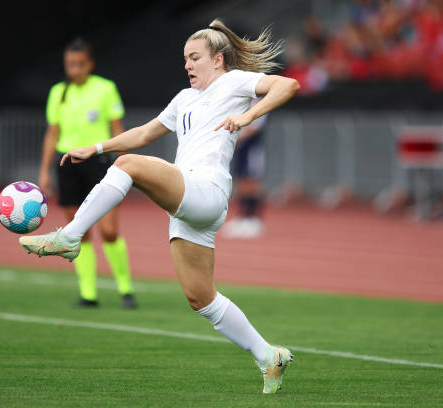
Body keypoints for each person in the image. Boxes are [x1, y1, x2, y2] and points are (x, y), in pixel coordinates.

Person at [21, 19, 300, 393]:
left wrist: (247, 115)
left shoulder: (233, 82)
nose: (187, 64)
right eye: (185, 57)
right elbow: (146, 132)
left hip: (206, 190)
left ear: (218, 60)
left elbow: (288, 84)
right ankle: (269, 356)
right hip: (188, 204)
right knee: (200, 298)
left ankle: (70, 237)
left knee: (129, 166)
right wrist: (97, 148)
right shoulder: (185, 98)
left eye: (194, 57)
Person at [39, 38, 137, 309]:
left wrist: (123, 161)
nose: (75, 69)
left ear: (90, 64)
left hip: (99, 162)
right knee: (78, 232)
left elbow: (117, 127)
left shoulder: (105, 89)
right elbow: (52, 133)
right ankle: (88, 293)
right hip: (67, 165)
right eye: (71, 64)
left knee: (109, 231)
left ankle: (126, 289)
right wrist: (44, 171)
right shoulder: (58, 92)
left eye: (81, 64)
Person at [221, 98, 268, 239]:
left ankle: (254, 220)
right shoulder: (241, 104)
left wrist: (236, 137)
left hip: (252, 150)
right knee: (241, 183)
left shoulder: (261, 106)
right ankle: (243, 218)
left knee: (251, 183)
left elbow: (254, 128)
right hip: (241, 151)